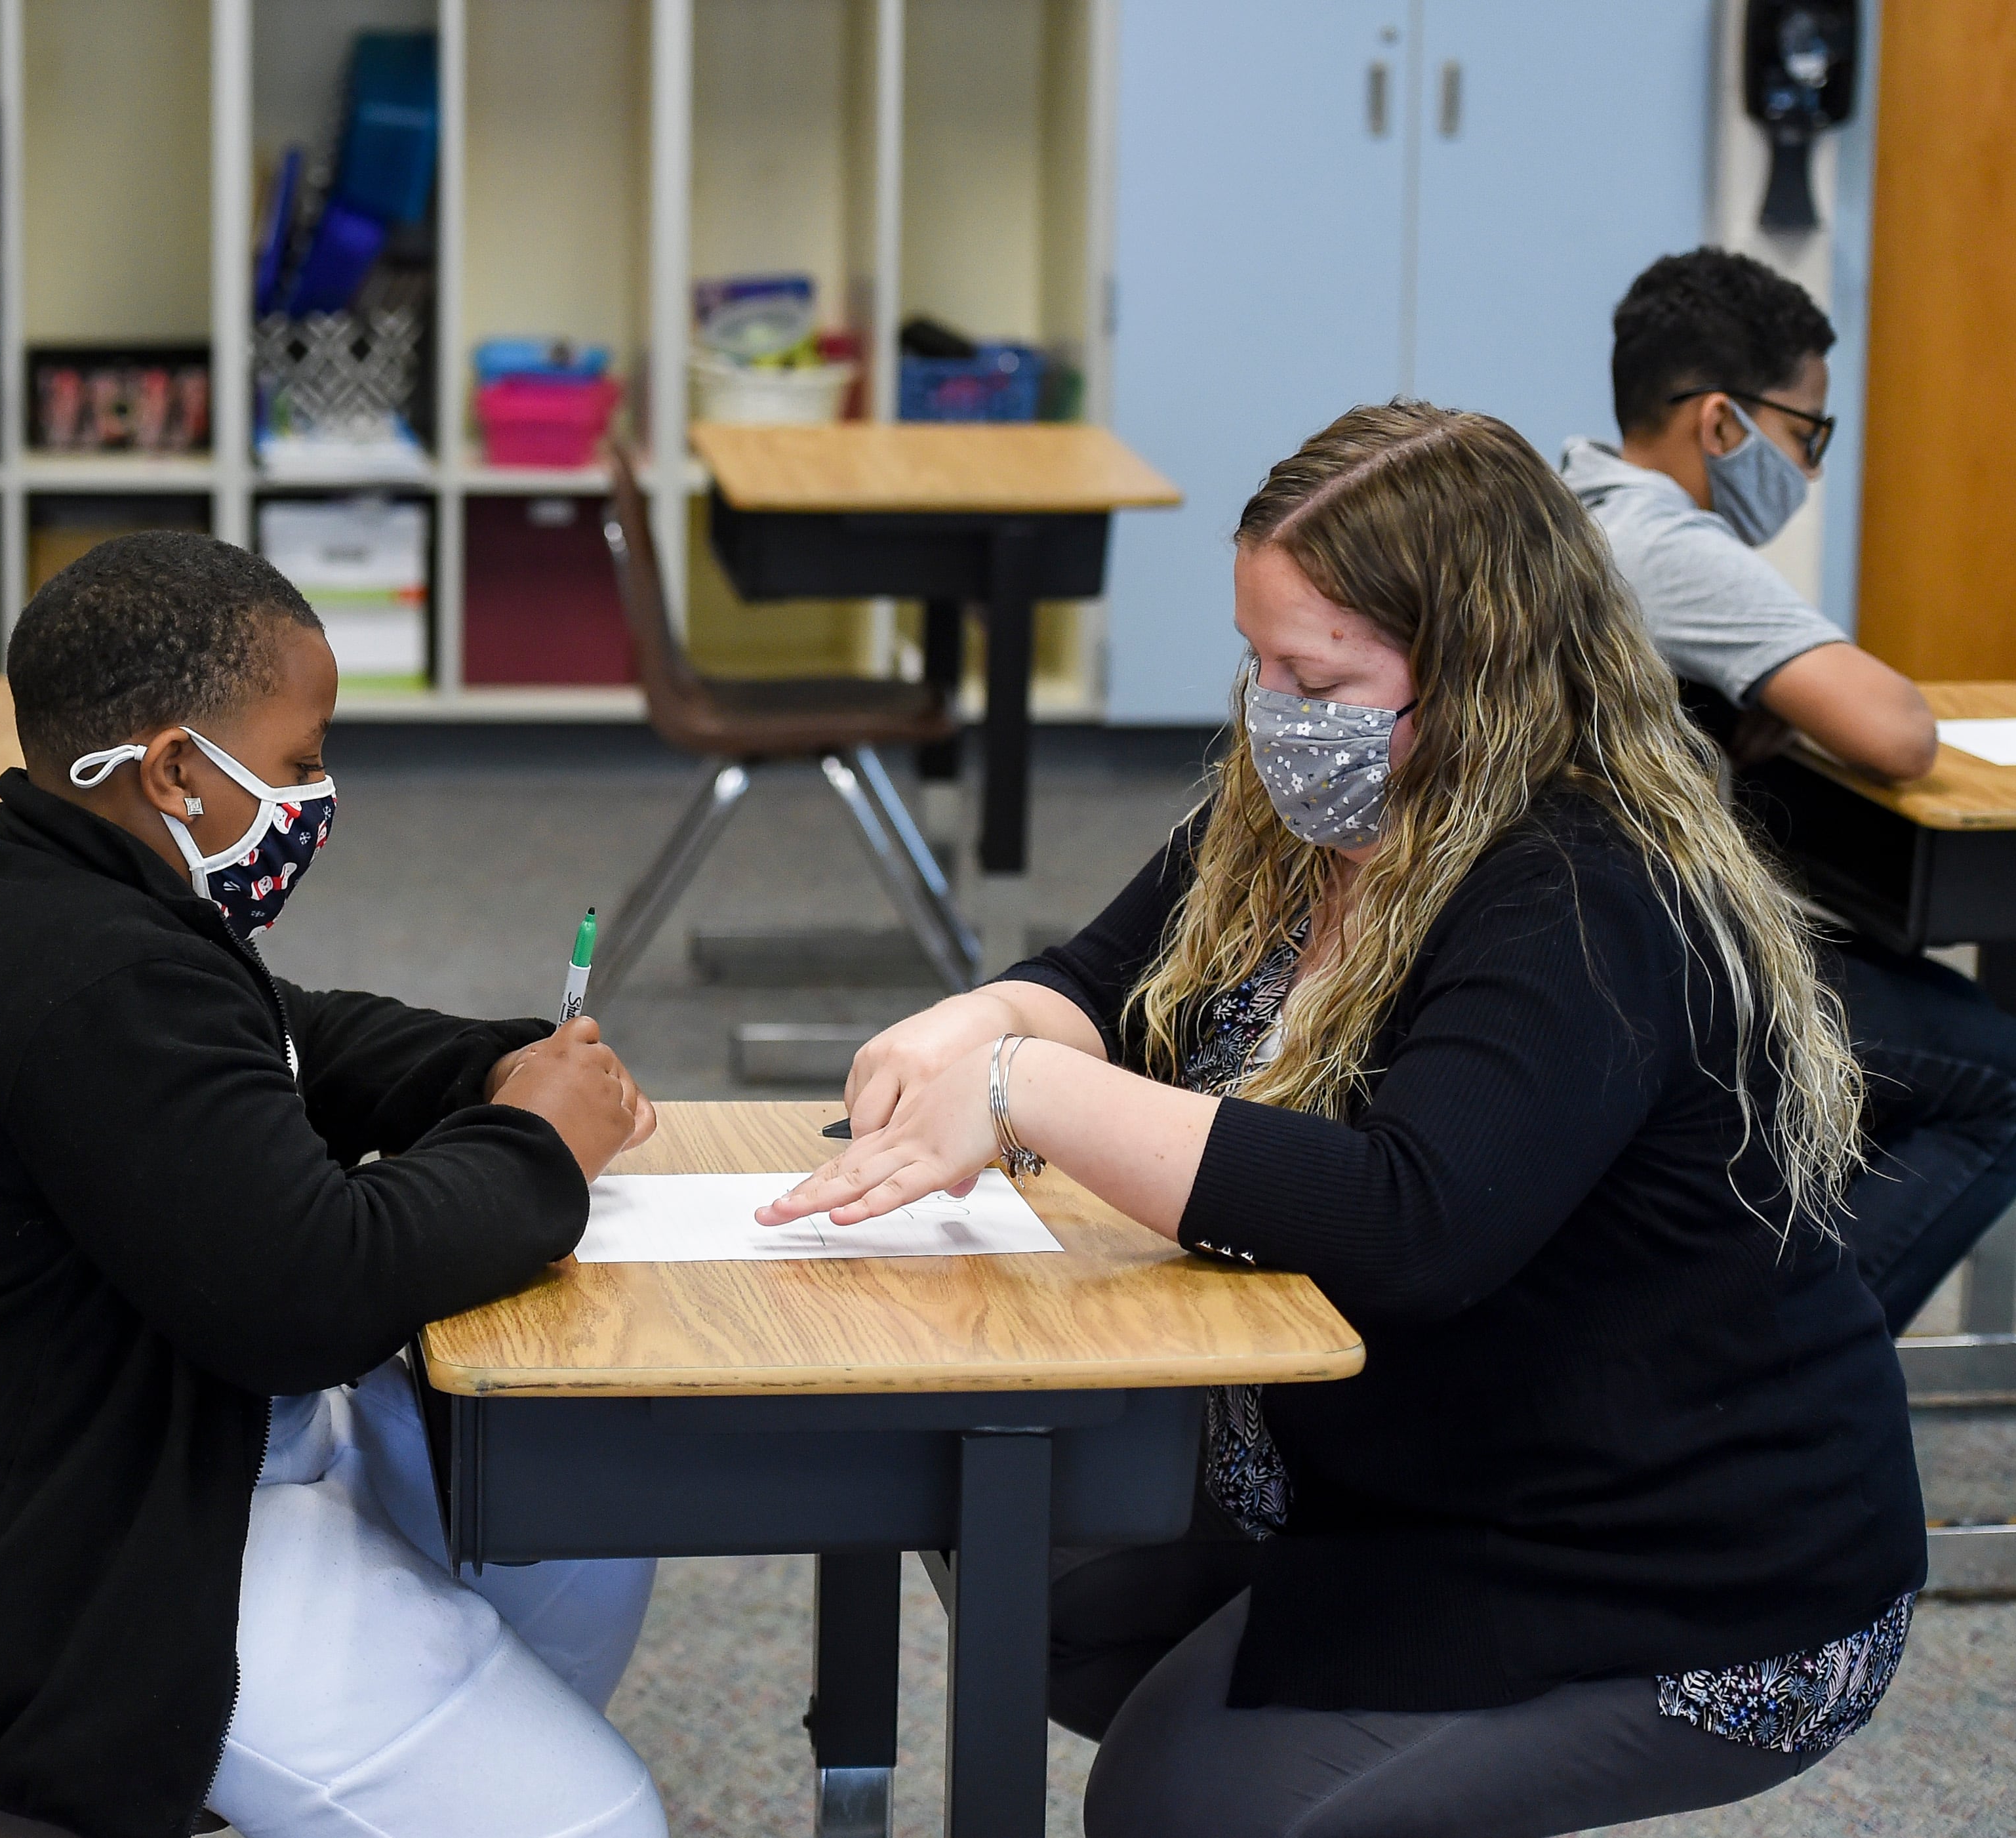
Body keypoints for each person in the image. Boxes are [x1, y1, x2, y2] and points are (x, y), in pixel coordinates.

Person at [765, 403, 1927, 1837]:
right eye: (1258, 661)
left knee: (1176, 1808)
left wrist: (1031, 1092)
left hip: (1668, 1551)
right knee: (1033, 1585)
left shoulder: (1577, 885)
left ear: (1482, 671)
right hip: (1397, 1454)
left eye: (1316, 673)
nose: (1273, 709)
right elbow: (1098, 981)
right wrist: (984, 1019)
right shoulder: (1304, 809)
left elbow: (1405, 1224)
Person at [0, 533, 669, 1838]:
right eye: (298, 763)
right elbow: (313, 1291)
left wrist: (503, 1067)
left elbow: (294, 1038)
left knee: (575, 1510)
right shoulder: (88, 974)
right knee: (592, 1824)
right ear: (172, 770)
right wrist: (538, 1148)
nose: (316, 797)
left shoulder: (80, 905)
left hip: (75, 1473)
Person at [1560, 247, 2016, 1333]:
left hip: (1583, 933)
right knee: (2008, 1078)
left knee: (1932, 1013)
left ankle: (1725, 1306)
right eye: (1807, 434)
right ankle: (1779, 1372)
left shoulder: (1569, 501)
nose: (1812, 470)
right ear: (1721, 426)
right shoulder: (1668, 543)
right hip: (1653, 967)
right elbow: (1895, 732)